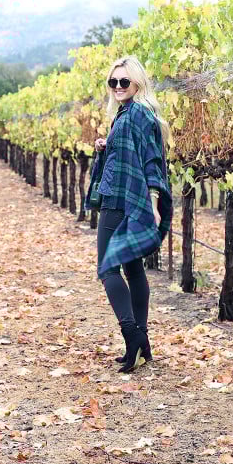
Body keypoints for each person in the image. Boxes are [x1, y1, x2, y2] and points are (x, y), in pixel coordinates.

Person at [85, 55, 172, 372]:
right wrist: (108, 144)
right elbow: (133, 150)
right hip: (127, 197)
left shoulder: (137, 114)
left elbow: (150, 162)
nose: (118, 86)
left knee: (107, 269)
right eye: (113, 82)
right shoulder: (131, 113)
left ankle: (132, 334)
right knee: (133, 269)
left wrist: (152, 203)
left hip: (123, 199)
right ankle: (140, 344)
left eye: (124, 81)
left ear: (137, 82)